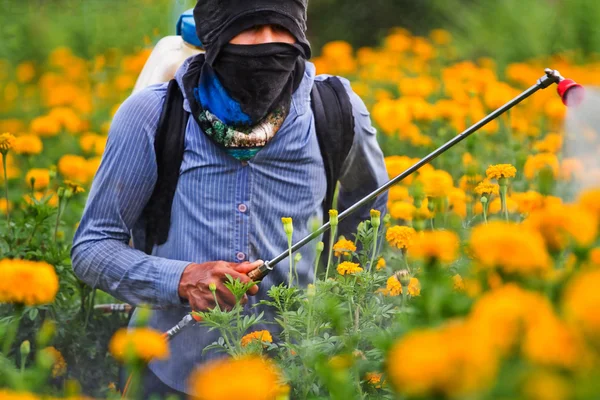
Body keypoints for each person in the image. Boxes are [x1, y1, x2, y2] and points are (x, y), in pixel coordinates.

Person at [72, 0, 388, 397]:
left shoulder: (338, 112)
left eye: (282, 28)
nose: (268, 43)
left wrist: (347, 306)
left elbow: (368, 208)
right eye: (251, 27)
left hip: (297, 377)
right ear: (214, 35)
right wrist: (183, 280)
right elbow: (92, 247)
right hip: (172, 376)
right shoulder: (152, 115)